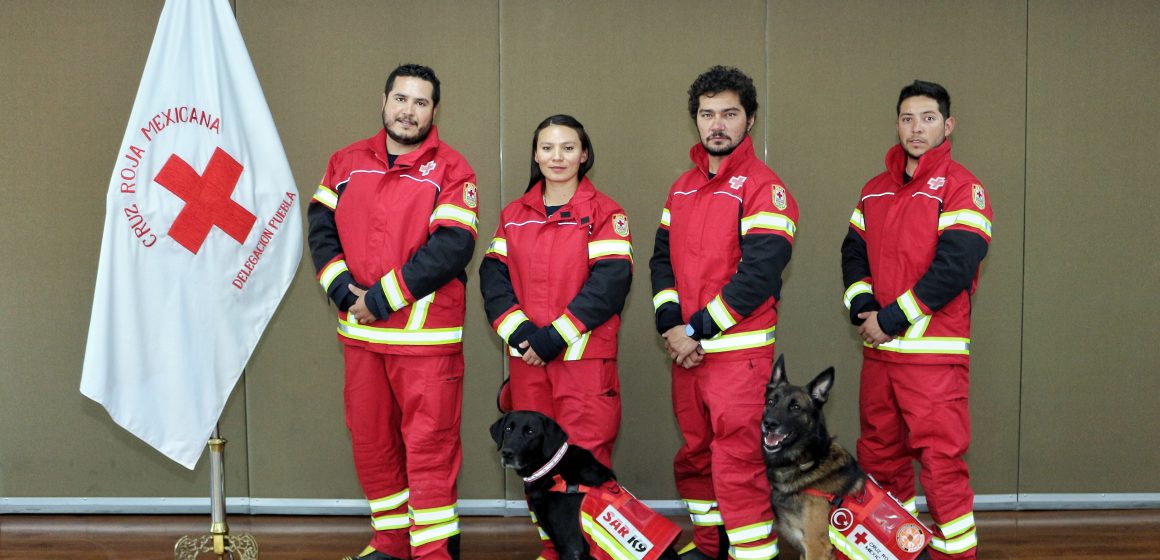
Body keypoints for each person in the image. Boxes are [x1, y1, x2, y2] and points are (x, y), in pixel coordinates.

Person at [308, 63, 478, 560]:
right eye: (401, 99)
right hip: (361, 337)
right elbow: (321, 230)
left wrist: (379, 299)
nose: (409, 111)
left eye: (420, 102)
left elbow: (451, 246)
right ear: (383, 101)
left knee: (429, 449)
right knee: (371, 445)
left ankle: (433, 553)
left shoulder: (453, 169)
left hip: (424, 343)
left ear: (434, 111)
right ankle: (390, 546)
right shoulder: (344, 161)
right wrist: (343, 292)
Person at [649, 66, 797, 560]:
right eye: (707, 113)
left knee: (738, 464)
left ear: (749, 120)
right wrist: (672, 327)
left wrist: (693, 331)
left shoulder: (763, 187)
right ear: (695, 119)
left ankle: (754, 553)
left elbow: (759, 276)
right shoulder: (682, 188)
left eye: (729, 114)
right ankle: (710, 547)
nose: (717, 124)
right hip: (686, 353)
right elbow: (661, 261)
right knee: (694, 458)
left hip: (737, 357)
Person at [840, 80, 992, 560]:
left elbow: (956, 265)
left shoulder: (962, 187)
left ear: (947, 125)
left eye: (927, 118)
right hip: (880, 354)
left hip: (933, 356)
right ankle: (895, 549)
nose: (916, 128)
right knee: (881, 460)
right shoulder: (874, 190)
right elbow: (853, 252)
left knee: (942, 466)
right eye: (907, 118)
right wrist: (863, 307)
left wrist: (892, 318)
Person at [479, 114, 632, 559]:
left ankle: (594, 553)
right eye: (547, 147)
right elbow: (494, 280)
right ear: (535, 154)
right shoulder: (513, 215)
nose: (557, 156)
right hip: (529, 366)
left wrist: (554, 337)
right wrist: (521, 333)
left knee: (584, 466)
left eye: (568, 147)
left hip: (583, 364)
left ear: (584, 155)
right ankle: (555, 548)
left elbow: (610, 282)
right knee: (535, 466)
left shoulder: (606, 214)